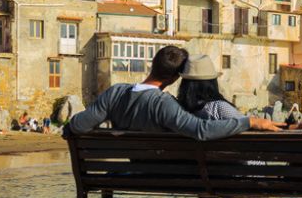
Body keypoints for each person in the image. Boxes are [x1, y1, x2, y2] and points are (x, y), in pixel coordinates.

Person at [178, 55, 299, 198]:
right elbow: (250, 130)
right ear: (211, 83)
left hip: (203, 177)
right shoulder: (219, 108)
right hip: (235, 176)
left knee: (203, 172)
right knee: (257, 164)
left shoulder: (179, 112)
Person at [68, 45, 284, 140]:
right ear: (174, 79)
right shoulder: (163, 104)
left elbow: (78, 125)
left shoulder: (115, 92)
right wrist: (249, 122)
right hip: (160, 173)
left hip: (126, 170)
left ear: (153, 65)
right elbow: (201, 130)